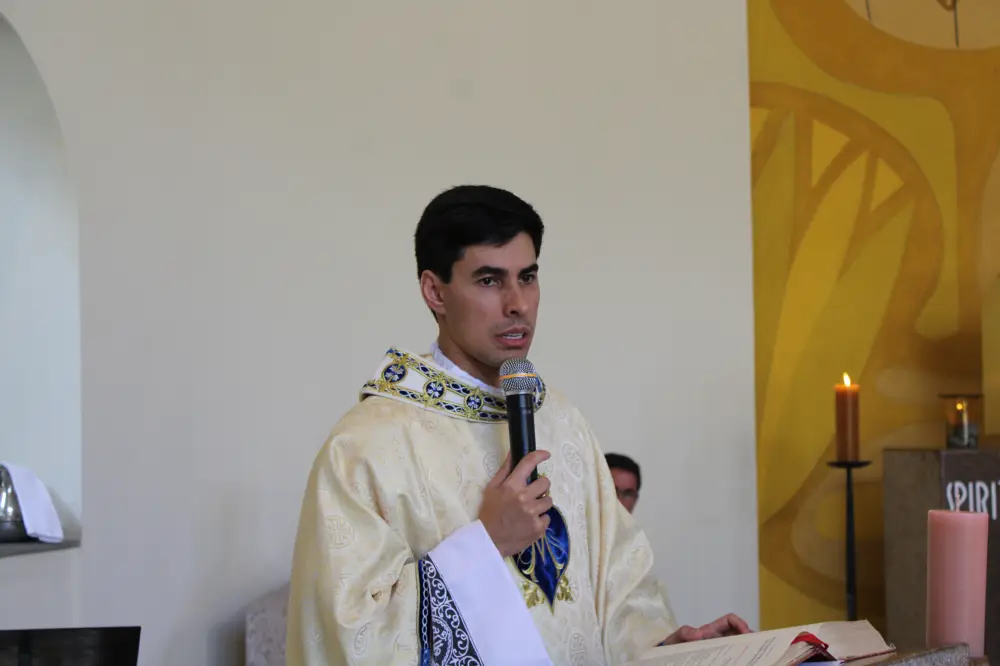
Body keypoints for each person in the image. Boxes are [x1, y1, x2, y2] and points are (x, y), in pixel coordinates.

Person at [285, 185, 750, 666]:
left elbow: (620, 591)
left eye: (527, 277)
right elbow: (349, 637)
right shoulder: (367, 445)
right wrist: (486, 544)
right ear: (434, 291)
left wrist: (665, 649)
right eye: (489, 280)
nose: (518, 304)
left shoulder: (562, 422)